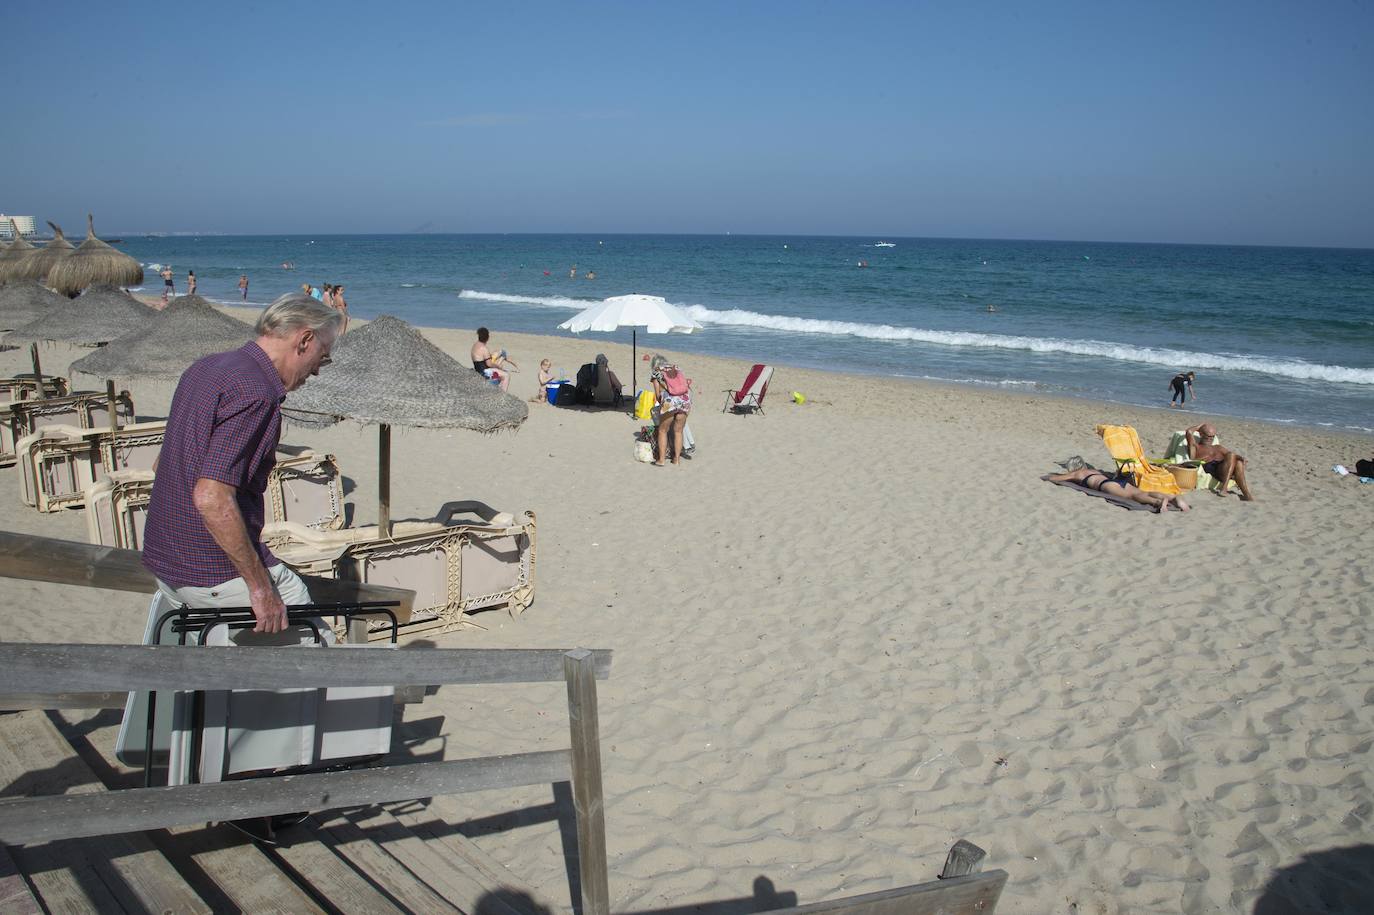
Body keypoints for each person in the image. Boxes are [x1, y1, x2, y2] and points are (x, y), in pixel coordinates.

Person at [138, 293, 341, 838]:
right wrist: (260, 586)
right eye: (323, 352)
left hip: (166, 558)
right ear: (302, 339)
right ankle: (258, 788)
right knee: (315, 645)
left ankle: (215, 771)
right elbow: (210, 495)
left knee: (288, 619)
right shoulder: (257, 390)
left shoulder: (209, 368)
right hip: (207, 568)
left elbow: (166, 461)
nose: (322, 365)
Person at [1049, 466, 1190, 513]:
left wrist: (1052, 477)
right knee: (1140, 492)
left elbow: (1058, 479)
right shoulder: (1094, 469)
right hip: (1116, 480)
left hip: (1106, 485)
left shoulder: (1078, 473)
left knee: (1131, 496)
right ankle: (1173, 498)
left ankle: (1158, 503)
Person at [1185, 422, 1255, 500]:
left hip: (1224, 468)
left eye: (1212, 437)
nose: (1210, 439)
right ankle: (1224, 488)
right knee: (1231, 455)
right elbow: (1189, 431)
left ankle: (1246, 494)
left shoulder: (1218, 447)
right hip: (1212, 468)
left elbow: (1232, 456)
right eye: (1208, 436)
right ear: (1201, 434)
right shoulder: (1196, 447)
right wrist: (1201, 425)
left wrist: (1241, 458)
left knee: (1238, 461)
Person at [650, 354, 691, 466]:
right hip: (685, 400)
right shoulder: (677, 368)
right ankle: (676, 460)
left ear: (654, 365)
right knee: (678, 431)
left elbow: (658, 395)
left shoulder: (656, 372)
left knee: (663, 430)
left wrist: (661, 405)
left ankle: (661, 460)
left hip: (670, 402)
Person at [471, 326, 517, 392]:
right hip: (484, 372)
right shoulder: (484, 348)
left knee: (501, 374)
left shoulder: (475, 345)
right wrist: (498, 366)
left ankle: (498, 389)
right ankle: (503, 395)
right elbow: (489, 364)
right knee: (506, 375)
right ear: (487, 337)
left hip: (478, 369)